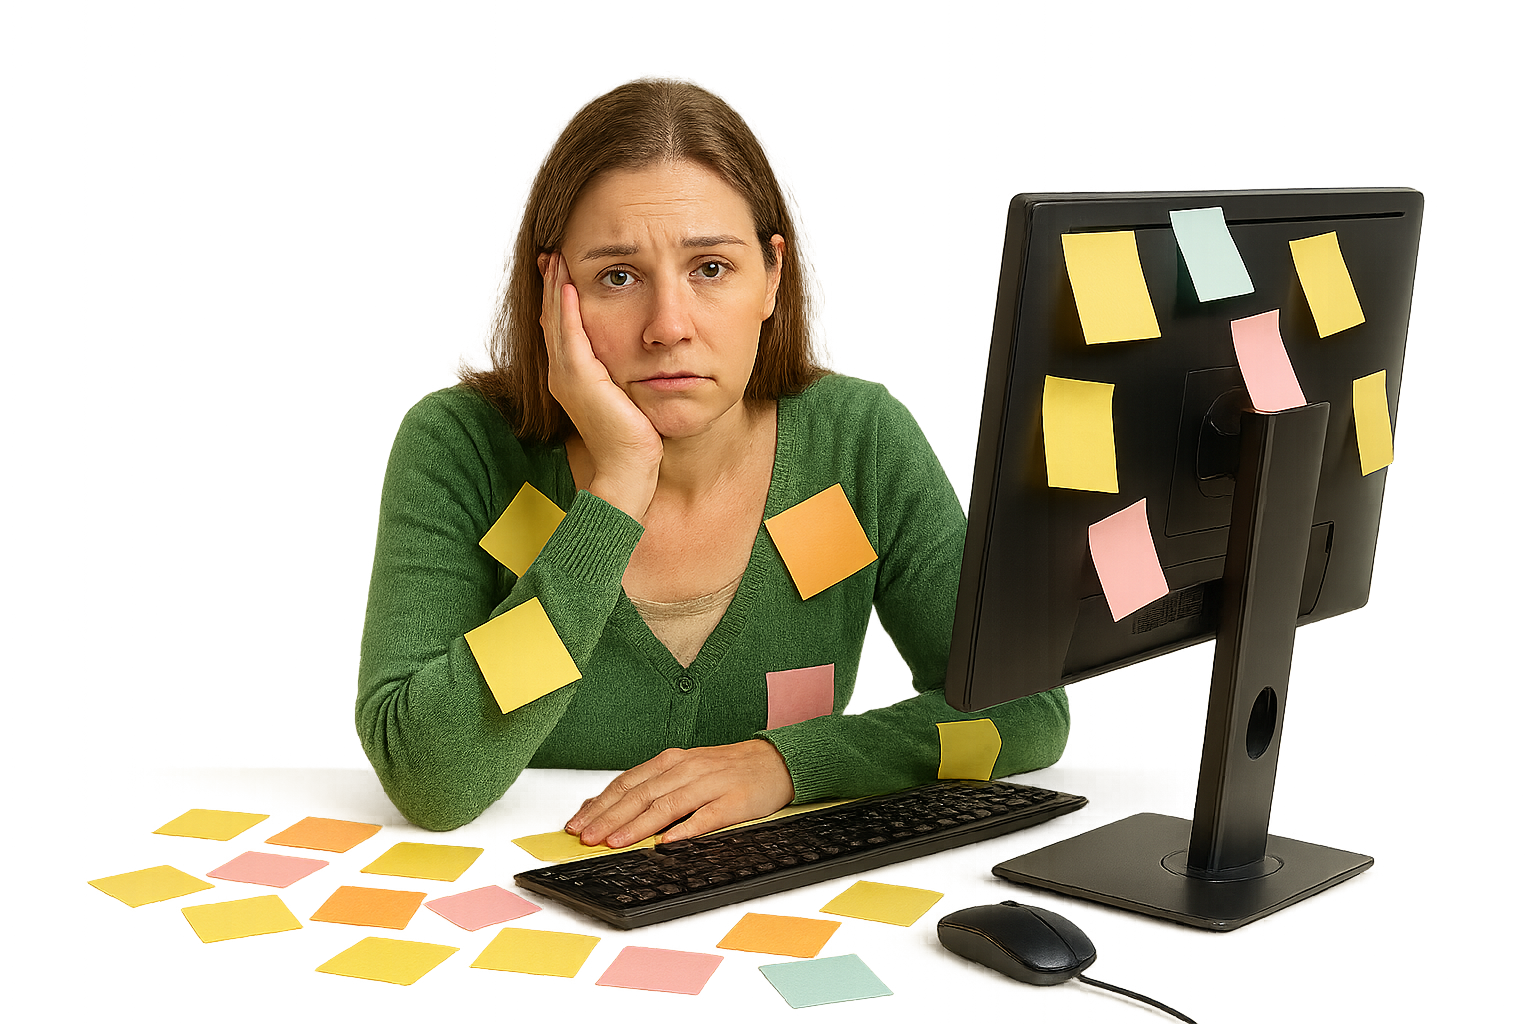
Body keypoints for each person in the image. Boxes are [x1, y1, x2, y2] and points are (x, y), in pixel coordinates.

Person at [357, 79, 1068, 844]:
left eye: (711, 268)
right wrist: (620, 487)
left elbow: (1027, 711)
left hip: (769, 910)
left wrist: (788, 764)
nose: (668, 327)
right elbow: (429, 778)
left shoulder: (855, 445)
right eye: (617, 277)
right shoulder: (464, 451)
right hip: (525, 912)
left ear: (772, 277)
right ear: (554, 294)